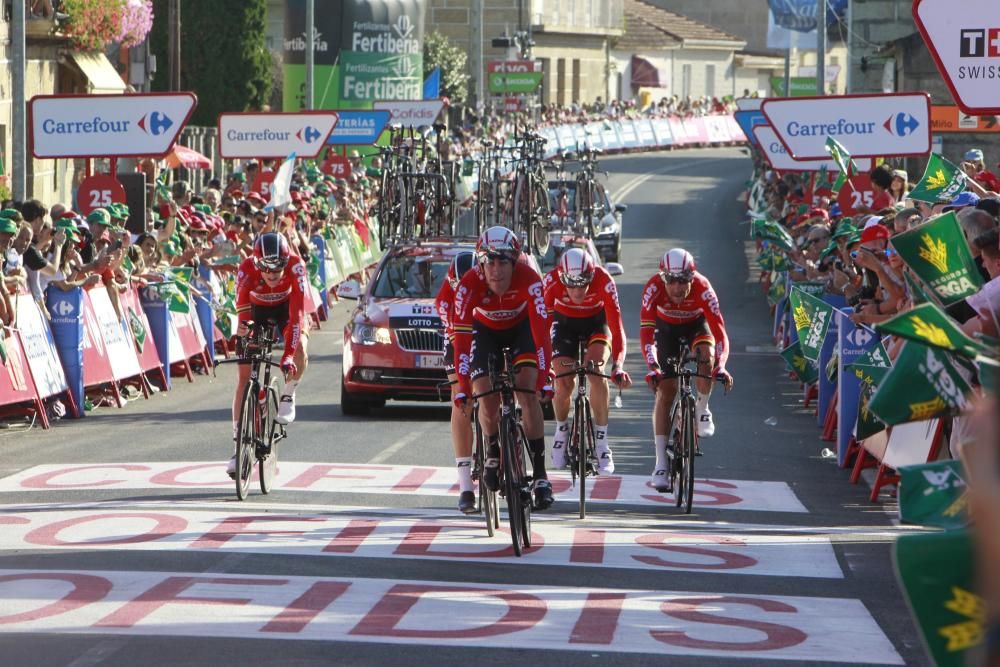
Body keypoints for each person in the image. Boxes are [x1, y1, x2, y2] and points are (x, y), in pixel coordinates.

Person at [451, 226, 556, 510]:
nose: (496, 271)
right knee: (484, 395)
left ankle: (541, 474)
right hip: (484, 333)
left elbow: (542, 332)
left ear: (515, 262)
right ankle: (493, 446)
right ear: (481, 265)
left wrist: (544, 378)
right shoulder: (468, 285)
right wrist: (463, 389)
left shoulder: (530, 278)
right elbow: (460, 342)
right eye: (490, 263)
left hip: (521, 330)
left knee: (528, 392)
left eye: (503, 262)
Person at [640, 248, 733, 491]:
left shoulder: (704, 288)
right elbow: (647, 335)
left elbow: (720, 333)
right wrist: (653, 367)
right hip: (666, 331)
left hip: (696, 327)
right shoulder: (653, 288)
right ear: (663, 279)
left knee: (706, 355)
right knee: (666, 390)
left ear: (691, 279)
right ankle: (660, 462)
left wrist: (720, 366)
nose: (677, 288)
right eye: (671, 281)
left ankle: (702, 407)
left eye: (683, 281)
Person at [543, 248, 631, 475]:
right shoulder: (551, 281)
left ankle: (602, 442)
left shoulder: (604, 281)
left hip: (596, 323)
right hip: (563, 325)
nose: (577, 290)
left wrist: (618, 365)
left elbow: (616, 327)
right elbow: (541, 325)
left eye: (582, 284)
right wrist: (544, 367)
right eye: (570, 285)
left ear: (591, 276)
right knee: (563, 382)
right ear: (562, 278)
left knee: (596, 371)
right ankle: (561, 431)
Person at [228, 232, 308, 478]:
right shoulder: (245, 270)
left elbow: (296, 318)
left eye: (278, 268)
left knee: (302, 348)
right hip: (256, 311)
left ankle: (288, 394)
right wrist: (243, 329)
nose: (273, 274)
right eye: (267, 268)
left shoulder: (297, 267)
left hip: (286, 309)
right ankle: (237, 445)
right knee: (243, 378)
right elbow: (242, 313)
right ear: (257, 263)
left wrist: (287, 355)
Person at [434, 250, 478, 513]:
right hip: (458, 334)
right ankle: (465, 483)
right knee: (461, 397)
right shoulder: (446, 299)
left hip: (486, 326)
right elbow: (458, 343)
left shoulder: (487, 280)